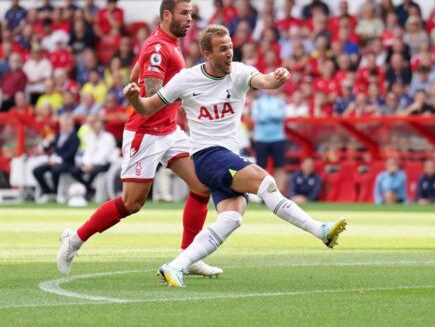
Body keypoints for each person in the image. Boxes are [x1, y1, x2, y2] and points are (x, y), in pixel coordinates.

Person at [124, 24, 347, 287]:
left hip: (227, 156)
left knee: (232, 216)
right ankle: (320, 230)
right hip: (206, 157)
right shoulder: (186, 79)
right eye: (222, 49)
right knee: (264, 182)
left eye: (230, 47)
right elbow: (149, 107)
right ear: (207, 53)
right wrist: (135, 98)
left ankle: (176, 266)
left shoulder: (239, 72)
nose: (229, 53)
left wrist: (278, 77)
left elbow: (264, 81)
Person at [57, 0, 221, 278]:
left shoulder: (165, 43)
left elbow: (138, 73)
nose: (190, 19)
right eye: (184, 13)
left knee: (201, 187)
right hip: (145, 133)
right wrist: (191, 90)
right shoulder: (159, 46)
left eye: (191, 13)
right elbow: (155, 89)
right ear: (167, 15)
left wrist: (137, 86)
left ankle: (189, 257)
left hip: (170, 131)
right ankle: (75, 239)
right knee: (132, 203)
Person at [69, 116, 116, 199]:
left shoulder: (108, 137)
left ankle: (87, 192)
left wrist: (92, 164)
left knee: (93, 172)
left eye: (97, 124)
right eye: (94, 125)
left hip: (104, 164)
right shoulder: (90, 137)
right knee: (74, 171)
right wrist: (87, 164)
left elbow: (103, 155)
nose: (95, 127)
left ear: (102, 125)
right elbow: (87, 153)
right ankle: (89, 189)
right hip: (90, 164)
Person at [33, 114, 79, 196]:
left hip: (67, 163)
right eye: (62, 124)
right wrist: (47, 141)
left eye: (65, 124)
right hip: (54, 161)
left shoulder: (75, 137)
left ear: (70, 124)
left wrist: (57, 160)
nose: (63, 126)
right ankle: (47, 191)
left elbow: (71, 153)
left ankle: (55, 192)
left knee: (55, 170)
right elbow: (47, 148)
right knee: (37, 170)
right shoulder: (57, 135)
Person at [251, 90, 288, 190]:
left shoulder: (280, 101)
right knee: (261, 167)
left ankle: (279, 193)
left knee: (279, 166)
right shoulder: (257, 102)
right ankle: (263, 192)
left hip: (277, 137)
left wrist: (265, 114)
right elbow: (257, 117)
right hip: (261, 138)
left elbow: (281, 116)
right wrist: (273, 114)